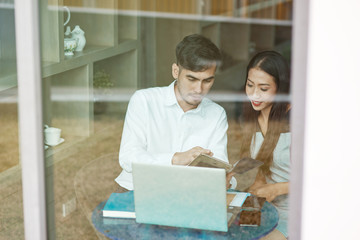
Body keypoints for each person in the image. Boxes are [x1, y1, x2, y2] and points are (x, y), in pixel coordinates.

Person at [115, 34, 235, 191]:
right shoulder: (144, 100)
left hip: (189, 194)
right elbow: (128, 157)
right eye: (191, 79)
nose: (199, 90)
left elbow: (218, 166)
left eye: (207, 81)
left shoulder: (216, 114)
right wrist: (175, 158)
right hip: (137, 190)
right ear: (175, 71)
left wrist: (222, 180)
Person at [239, 51, 291, 239]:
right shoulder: (253, 114)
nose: (254, 94)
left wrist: (276, 189)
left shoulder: (295, 120)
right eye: (250, 85)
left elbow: (318, 178)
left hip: (295, 211)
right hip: (266, 205)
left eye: (263, 88)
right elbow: (261, 174)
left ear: (280, 89)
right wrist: (248, 216)